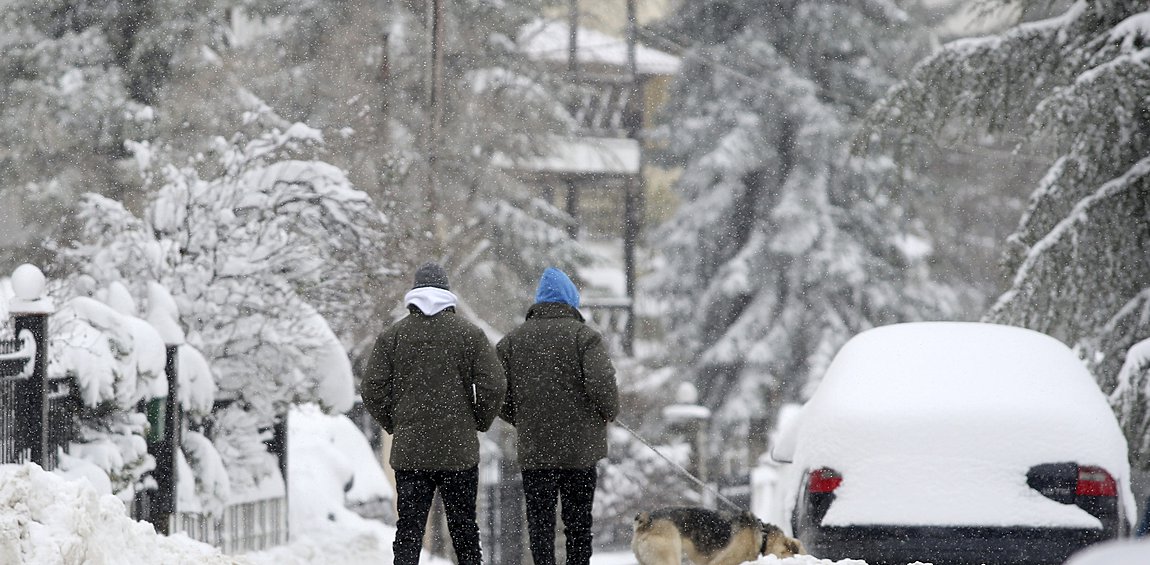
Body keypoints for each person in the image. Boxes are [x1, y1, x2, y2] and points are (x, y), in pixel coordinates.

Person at [360, 262, 505, 565]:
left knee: (409, 531)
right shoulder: (470, 334)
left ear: (414, 293)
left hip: (411, 452)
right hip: (458, 452)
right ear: (447, 294)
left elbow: (372, 388)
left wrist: (395, 422)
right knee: (465, 529)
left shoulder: (393, 336)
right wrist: (478, 420)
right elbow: (494, 385)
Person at [497, 267, 619, 565]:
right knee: (578, 527)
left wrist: (522, 417)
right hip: (580, 452)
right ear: (570, 301)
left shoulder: (512, 342)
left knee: (540, 527)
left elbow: (496, 392)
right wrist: (606, 413)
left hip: (536, 449)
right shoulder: (585, 338)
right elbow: (602, 386)